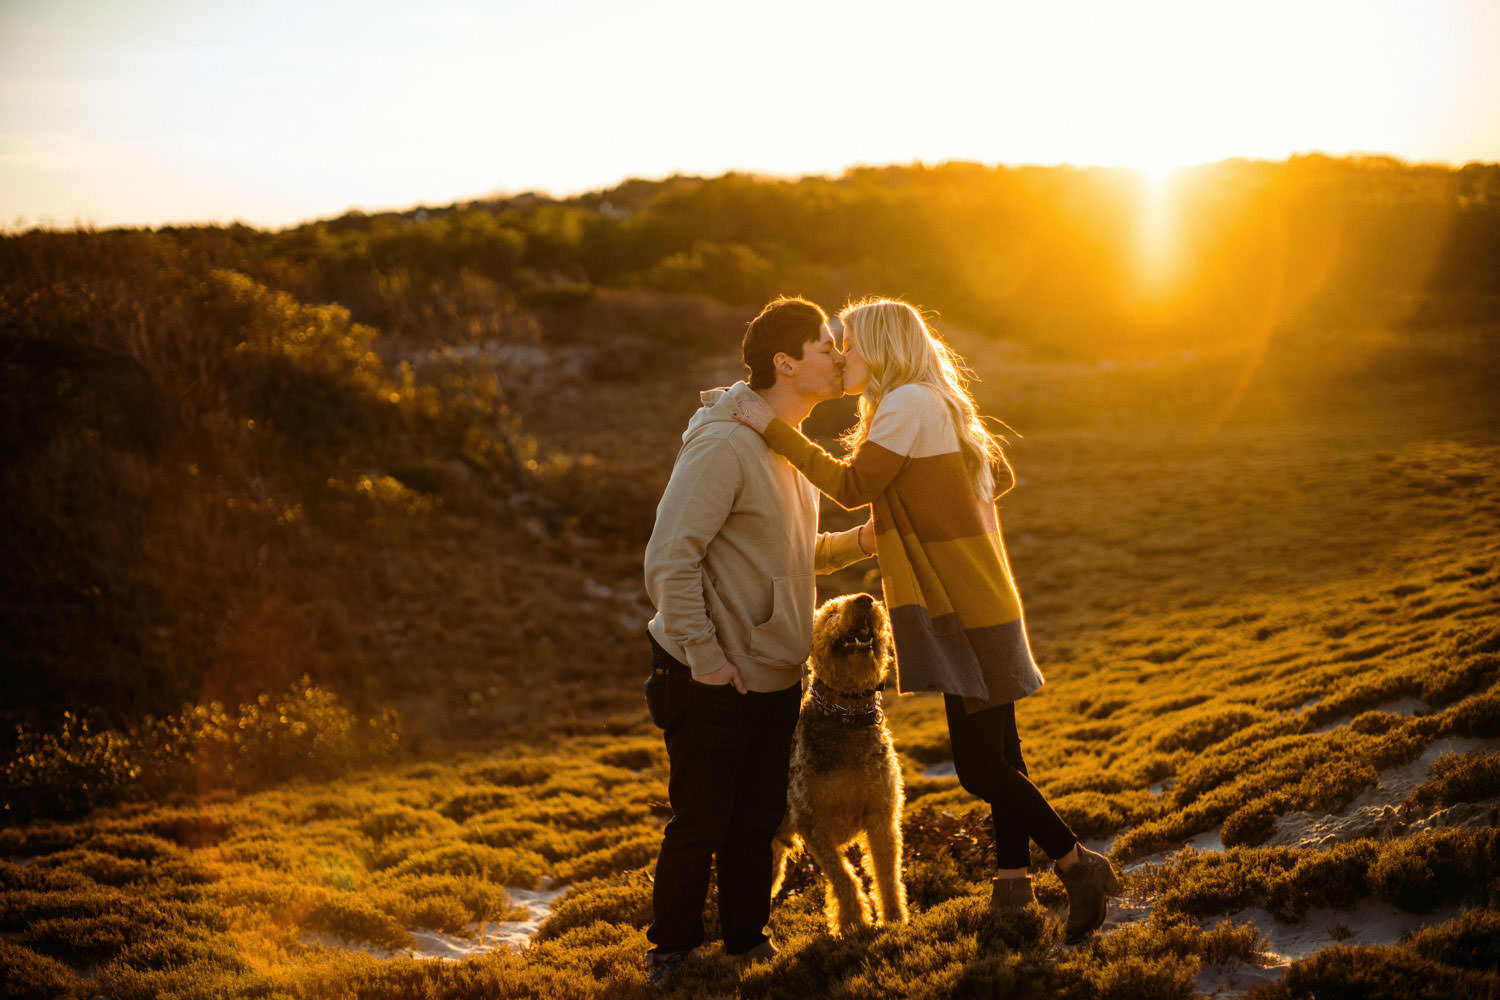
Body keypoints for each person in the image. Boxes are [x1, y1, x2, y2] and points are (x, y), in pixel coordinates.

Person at [733, 297, 1121, 944]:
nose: (839, 356)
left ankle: (1078, 865)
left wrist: (773, 430)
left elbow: (853, 486)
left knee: (978, 768)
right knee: (1004, 754)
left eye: (848, 345)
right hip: (982, 595)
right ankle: (1011, 882)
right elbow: (990, 479)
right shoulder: (934, 402)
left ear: (881, 349)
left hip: (965, 603)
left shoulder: (909, 403)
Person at [642, 295, 874, 985]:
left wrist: (858, 543)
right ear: (785, 361)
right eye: (826, 345)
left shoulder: (783, 440)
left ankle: (746, 941)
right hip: (710, 673)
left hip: (774, 671)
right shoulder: (724, 442)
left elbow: (786, 553)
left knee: (758, 820)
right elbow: (669, 558)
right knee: (700, 821)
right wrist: (707, 662)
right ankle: (671, 951)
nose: (838, 357)